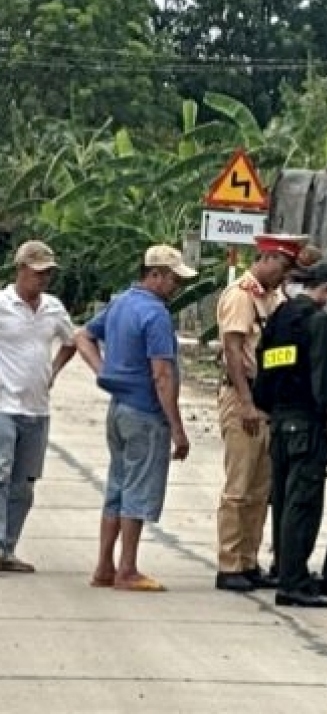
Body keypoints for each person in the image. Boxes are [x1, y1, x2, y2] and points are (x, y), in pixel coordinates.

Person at [74, 244, 197, 592]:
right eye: (173, 279)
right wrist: (177, 428)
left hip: (119, 410)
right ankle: (126, 568)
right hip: (145, 413)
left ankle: (104, 566)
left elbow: (82, 335)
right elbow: (162, 376)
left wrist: (104, 372)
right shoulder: (155, 314)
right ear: (154, 275)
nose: (176, 287)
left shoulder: (121, 303)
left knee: (117, 487)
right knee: (138, 491)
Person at [253, 261, 327, 607]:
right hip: (307, 426)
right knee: (303, 504)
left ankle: (284, 569)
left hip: (279, 422)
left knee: (283, 501)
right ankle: (293, 583)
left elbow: (263, 364)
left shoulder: (280, 316)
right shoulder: (318, 322)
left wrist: (267, 407)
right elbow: (323, 380)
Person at [214, 233, 309, 593]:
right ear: (266, 258)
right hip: (244, 397)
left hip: (266, 399)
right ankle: (229, 563)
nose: (284, 276)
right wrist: (247, 402)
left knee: (260, 488)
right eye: (282, 267)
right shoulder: (241, 296)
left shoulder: (273, 298)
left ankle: (248, 560)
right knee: (238, 487)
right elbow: (234, 352)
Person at [0, 241, 77, 573]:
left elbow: (71, 342)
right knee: (0, 477)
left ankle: (7, 548)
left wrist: (54, 370)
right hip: (3, 405)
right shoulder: (3, 305)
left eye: (48, 274)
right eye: (38, 273)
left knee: (24, 485)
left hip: (37, 410)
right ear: (21, 269)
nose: (43, 280)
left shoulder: (53, 308)